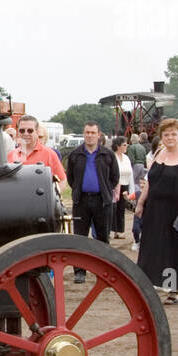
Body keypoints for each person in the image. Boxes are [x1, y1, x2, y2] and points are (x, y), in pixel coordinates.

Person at [135, 119, 178, 305]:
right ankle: (148, 286)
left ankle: (173, 290)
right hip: (154, 209)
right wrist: (140, 203)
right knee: (151, 247)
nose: (170, 137)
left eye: (173, 134)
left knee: (173, 251)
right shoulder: (158, 153)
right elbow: (150, 181)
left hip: (176, 211)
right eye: (166, 134)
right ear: (161, 137)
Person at [65, 121, 120, 283]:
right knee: (80, 238)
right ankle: (79, 272)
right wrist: (78, 190)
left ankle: (103, 271)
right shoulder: (75, 155)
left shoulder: (107, 155)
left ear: (98, 135)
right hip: (81, 201)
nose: (89, 135)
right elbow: (71, 178)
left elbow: (114, 177)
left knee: (103, 238)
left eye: (92, 133)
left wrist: (104, 189)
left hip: (102, 201)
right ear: (84, 134)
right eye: (87, 132)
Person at [9, 115, 66, 184]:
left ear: (37, 132)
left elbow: (62, 180)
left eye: (30, 130)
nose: (26, 133)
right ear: (18, 132)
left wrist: (51, 194)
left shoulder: (50, 154)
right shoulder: (10, 155)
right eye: (22, 130)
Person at [111, 138, 133, 238]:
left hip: (125, 185)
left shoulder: (126, 158)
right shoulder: (113, 157)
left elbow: (130, 173)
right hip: (115, 186)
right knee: (113, 208)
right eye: (124, 145)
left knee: (121, 209)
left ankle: (120, 230)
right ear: (118, 146)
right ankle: (111, 230)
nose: (126, 147)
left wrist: (130, 189)